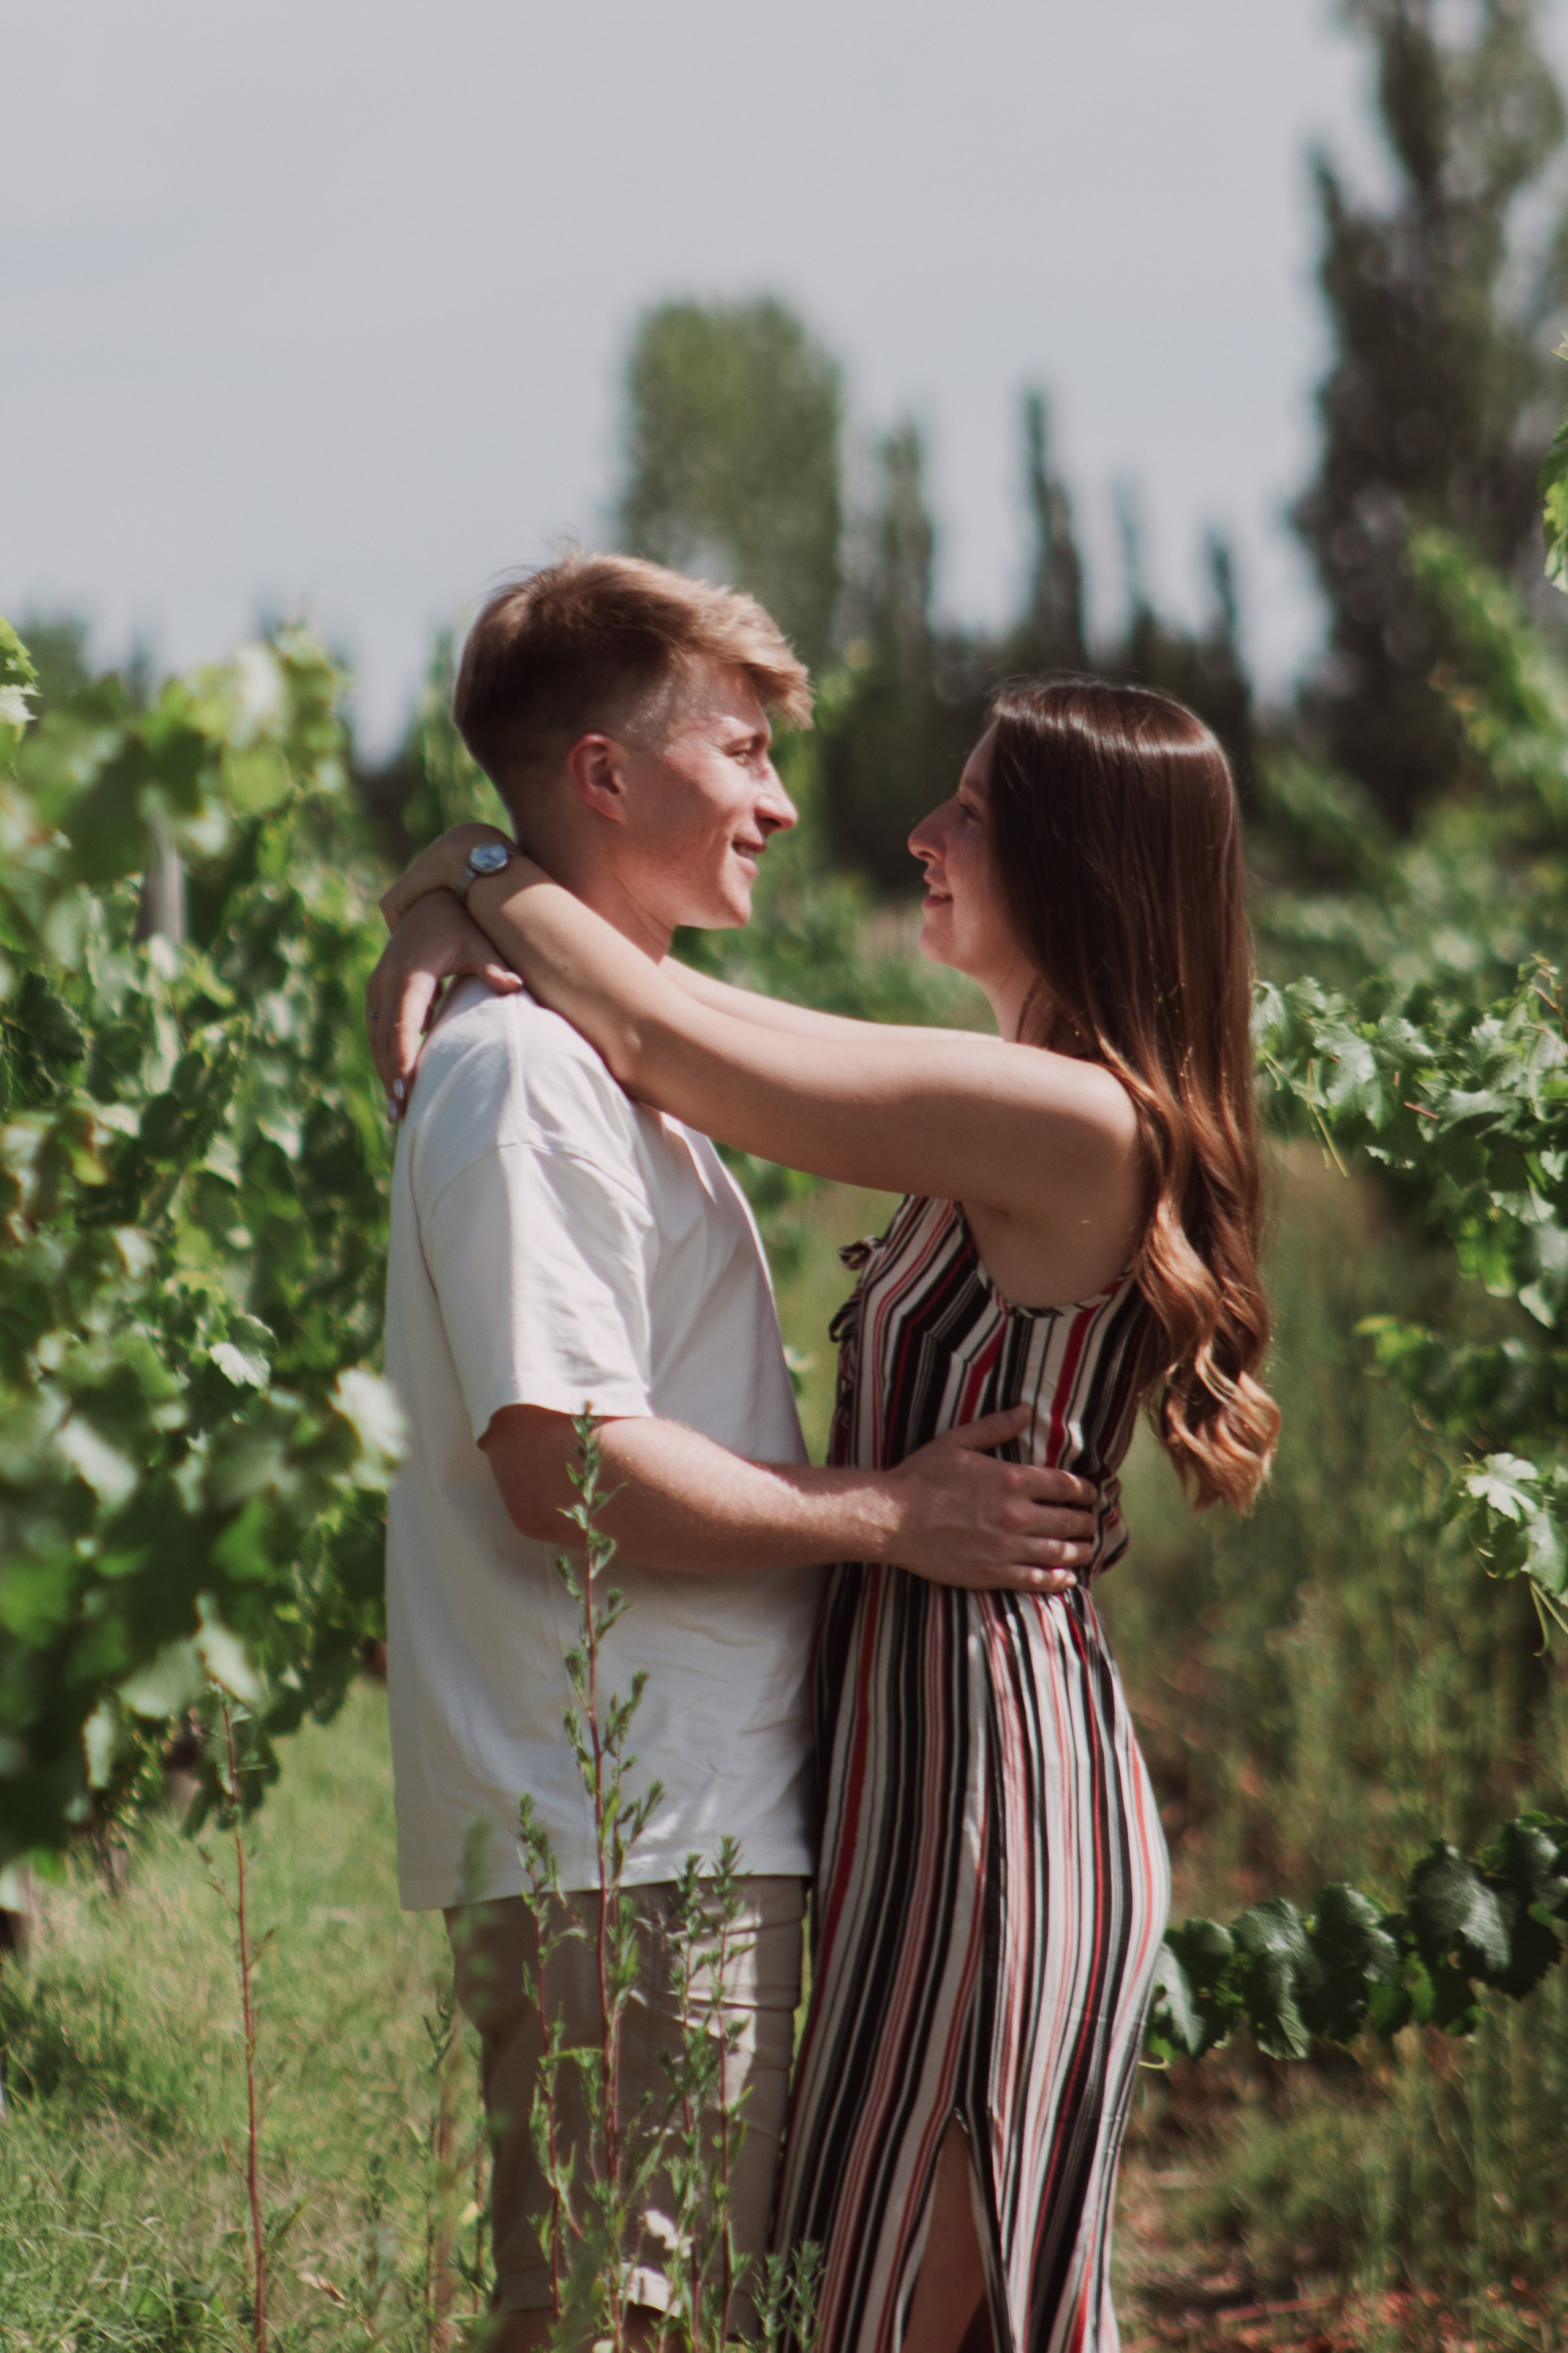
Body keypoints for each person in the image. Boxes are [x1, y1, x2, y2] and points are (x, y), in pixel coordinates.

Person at [371, 670, 1280, 2353]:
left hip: (983, 1785)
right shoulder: (1016, 1089)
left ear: (1081, 866)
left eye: (976, 816)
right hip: (909, 1754)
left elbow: (666, 1039)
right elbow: (695, 1018)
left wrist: (464, 881)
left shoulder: (1074, 1120)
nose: (920, 837)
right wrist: (465, 886)